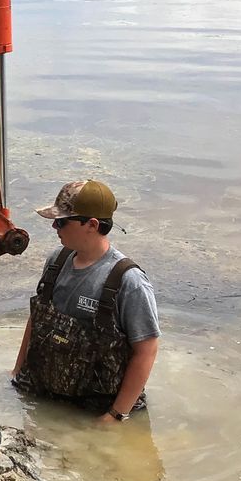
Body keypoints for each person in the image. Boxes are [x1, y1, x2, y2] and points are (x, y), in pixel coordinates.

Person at [11, 179, 160, 423]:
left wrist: (115, 415)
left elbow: (147, 350)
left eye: (61, 221)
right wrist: (17, 372)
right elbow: (36, 320)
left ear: (91, 225)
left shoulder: (128, 281)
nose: (54, 227)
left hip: (97, 410)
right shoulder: (55, 262)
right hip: (44, 397)